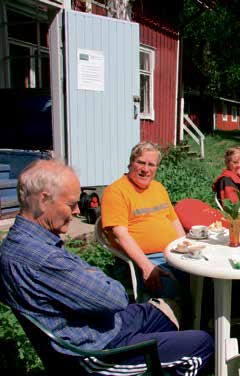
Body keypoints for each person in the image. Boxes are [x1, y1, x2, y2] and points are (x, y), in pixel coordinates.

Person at [0, 160, 213, 375]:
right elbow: (116, 298)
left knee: (168, 309)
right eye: (71, 204)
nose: (76, 211)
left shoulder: (22, 242)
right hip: (97, 349)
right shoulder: (42, 257)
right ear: (44, 199)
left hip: (103, 324)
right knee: (202, 344)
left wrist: (91, 276)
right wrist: (94, 276)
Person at [101, 142, 186, 299]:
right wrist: (147, 266)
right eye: (141, 162)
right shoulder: (115, 192)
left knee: (208, 280)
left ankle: (207, 319)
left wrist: (187, 248)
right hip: (143, 260)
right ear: (131, 163)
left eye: (151, 165)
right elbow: (120, 235)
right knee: (175, 293)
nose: (146, 169)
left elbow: (174, 221)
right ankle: (181, 321)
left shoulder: (158, 188)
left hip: (173, 254)